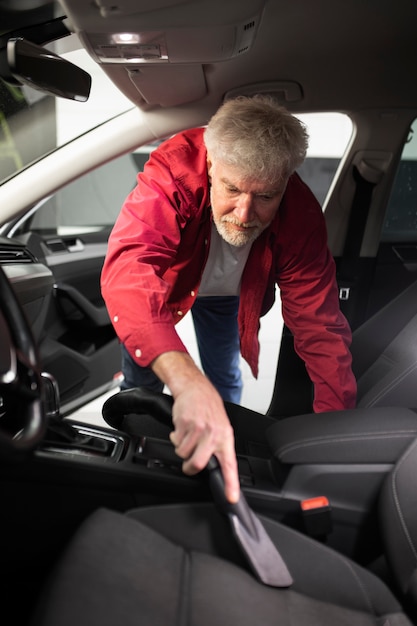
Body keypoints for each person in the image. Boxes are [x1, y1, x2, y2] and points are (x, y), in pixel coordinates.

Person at [101, 95, 357, 503]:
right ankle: (131, 456)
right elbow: (131, 268)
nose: (243, 213)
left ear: (287, 181)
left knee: (222, 377)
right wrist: (185, 381)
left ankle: (221, 446)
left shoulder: (301, 215)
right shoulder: (175, 170)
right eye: (232, 189)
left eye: (266, 196)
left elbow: (319, 326)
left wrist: (339, 438)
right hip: (166, 291)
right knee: (143, 376)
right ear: (211, 163)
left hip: (228, 297)